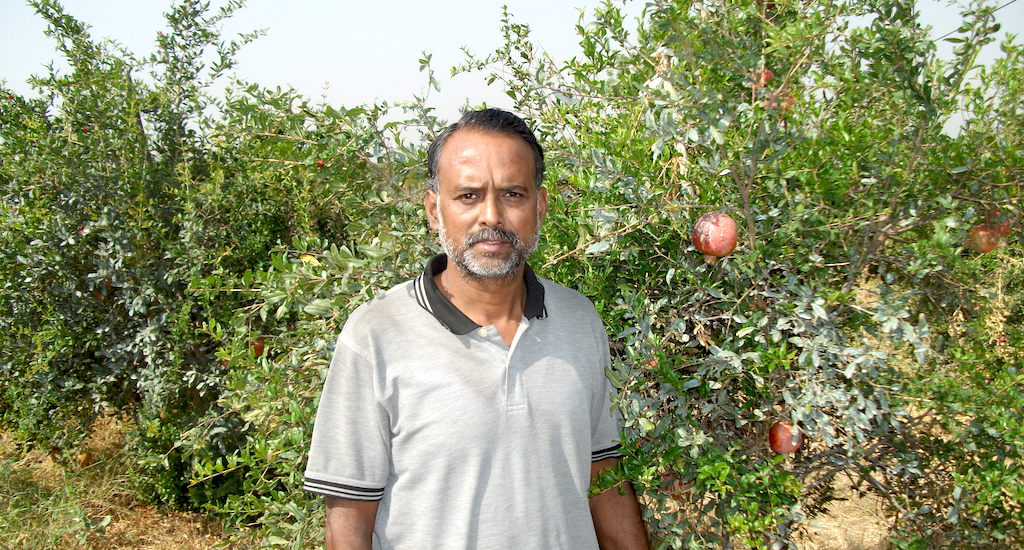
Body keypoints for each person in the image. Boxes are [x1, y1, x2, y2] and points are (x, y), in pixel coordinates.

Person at [304, 108, 649, 549]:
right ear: (434, 210)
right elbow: (347, 528)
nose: (491, 215)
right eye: (468, 196)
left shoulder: (580, 321)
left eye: (512, 194)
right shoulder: (375, 336)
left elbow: (604, 475)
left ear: (539, 206)